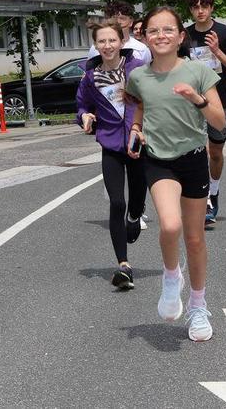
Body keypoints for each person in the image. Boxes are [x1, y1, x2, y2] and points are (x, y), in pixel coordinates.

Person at [126, 6, 226, 342]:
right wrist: (136, 129)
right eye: (153, 30)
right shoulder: (138, 77)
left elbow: (219, 121)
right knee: (170, 225)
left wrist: (197, 99)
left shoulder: (198, 71)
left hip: (194, 159)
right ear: (145, 37)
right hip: (158, 160)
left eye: (168, 29)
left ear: (181, 36)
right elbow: (141, 105)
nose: (161, 36)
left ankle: (198, 306)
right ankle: (172, 276)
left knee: (195, 239)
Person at [76, 18, 147, 290]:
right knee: (117, 202)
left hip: (138, 142)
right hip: (111, 145)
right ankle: (123, 266)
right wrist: (85, 116)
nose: (107, 45)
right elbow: (82, 106)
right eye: (101, 41)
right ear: (96, 45)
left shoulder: (136, 68)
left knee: (137, 199)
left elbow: (151, 98)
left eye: (111, 40)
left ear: (121, 41)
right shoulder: (90, 77)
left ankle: (135, 216)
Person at [180, 0, 226, 227]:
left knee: (215, 152)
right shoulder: (185, 35)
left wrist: (216, 51)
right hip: (191, 104)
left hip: (219, 100)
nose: (200, 11)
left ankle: (213, 190)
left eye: (204, 6)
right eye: (195, 7)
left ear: (212, 7)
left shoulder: (224, 32)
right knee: (200, 151)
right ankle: (203, 200)